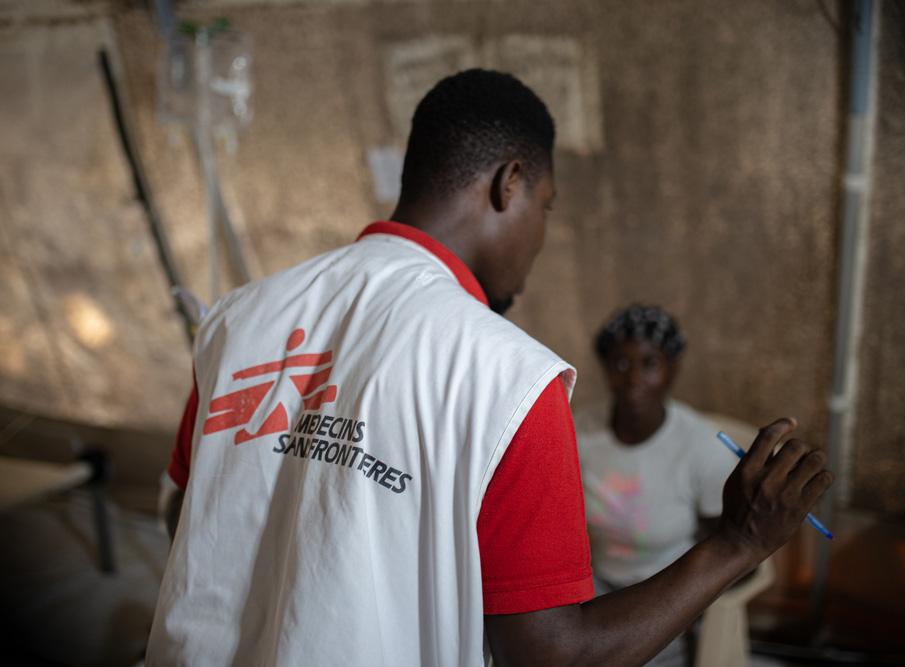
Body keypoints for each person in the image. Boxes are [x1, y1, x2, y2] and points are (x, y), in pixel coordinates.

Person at [147, 68, 833, 666]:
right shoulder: (509, 378)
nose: (539, 239)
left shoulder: (239, 318)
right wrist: (739, 543)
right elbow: (551, 656)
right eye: (547, 207)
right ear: (510, 184)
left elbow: (188, 517)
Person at [577, 305, 736, 665]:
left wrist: (690, 602)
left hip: (668, 593)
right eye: (620, 363)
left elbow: (725, 542)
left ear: (672, 369)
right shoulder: (580, 435)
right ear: (604, 368)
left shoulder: (701, 446)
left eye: (649, 363)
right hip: (597, 586)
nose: (633, 378)